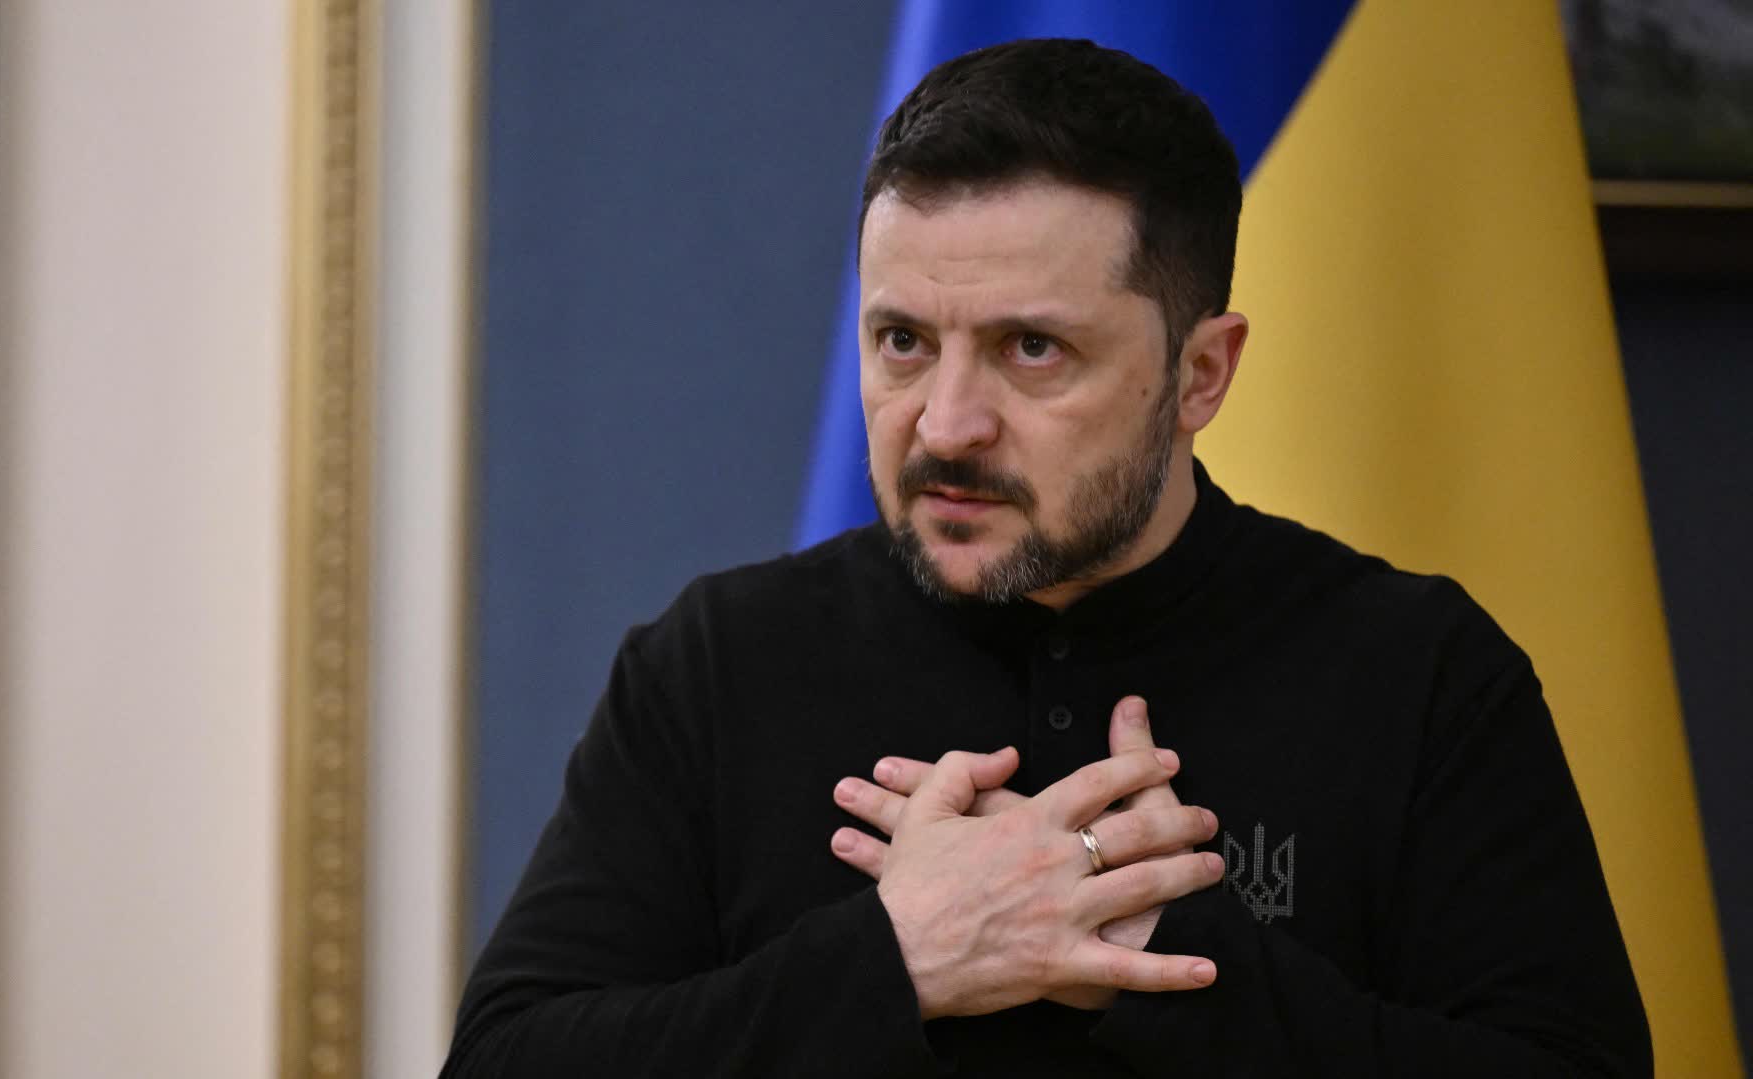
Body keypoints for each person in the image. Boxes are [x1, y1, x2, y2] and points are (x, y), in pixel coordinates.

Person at [441, 39, 1650, 1077]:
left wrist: (1164, 949)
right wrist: (897, 956)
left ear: (1201, 373)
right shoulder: (717, 663)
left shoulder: (1418, 672)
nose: (946, 423)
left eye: (1031, 349)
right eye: (902, 341)